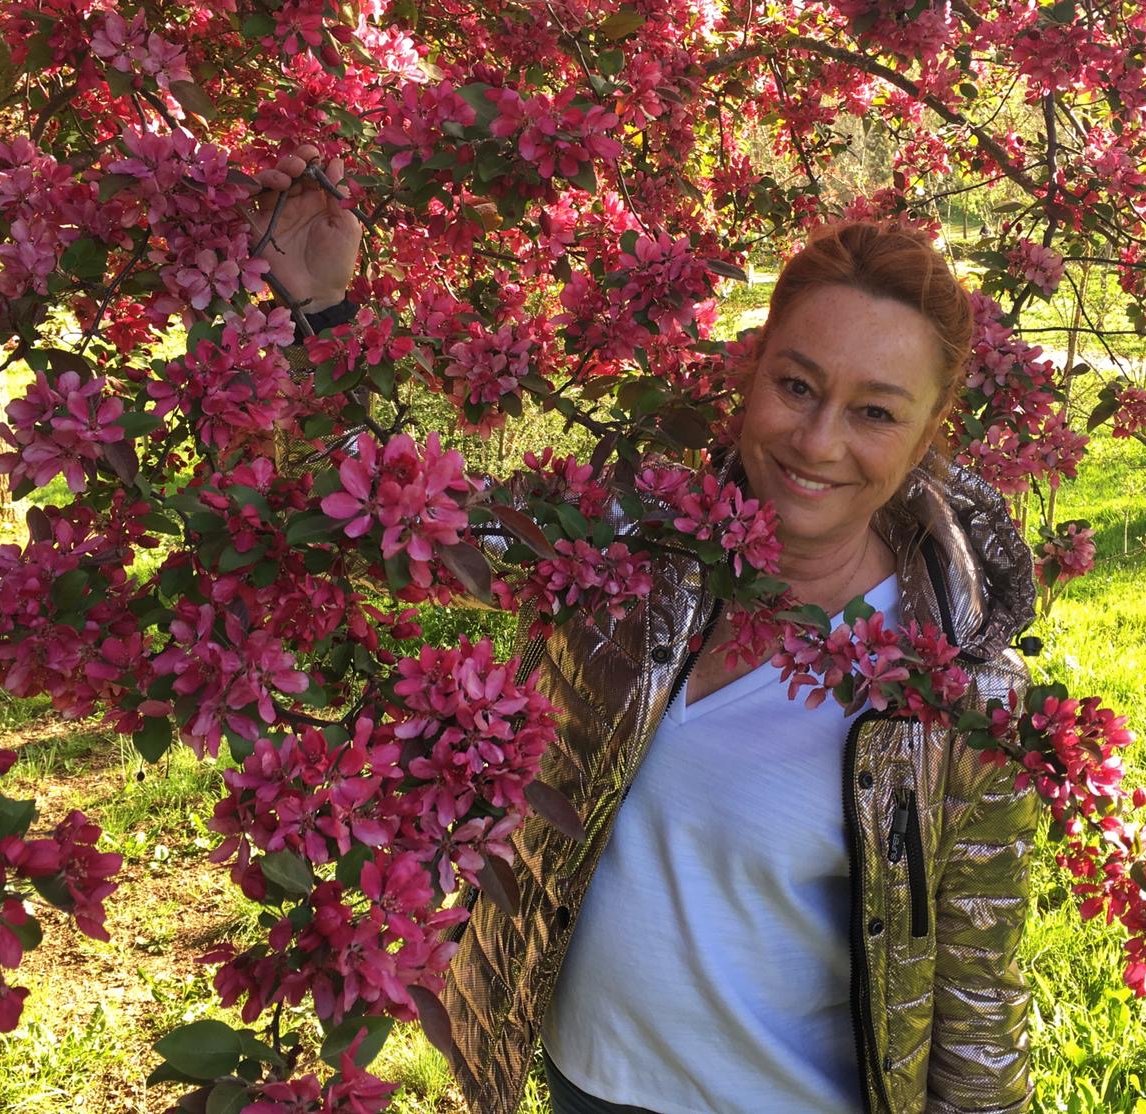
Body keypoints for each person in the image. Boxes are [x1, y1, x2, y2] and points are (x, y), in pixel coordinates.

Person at [266, 165, 1041, 1112]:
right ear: (750, 373)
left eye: (876, 411)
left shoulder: (956, 692)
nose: (819, 440)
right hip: (578, 1084)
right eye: (797, 385)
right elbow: (409, 521)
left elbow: (973, 995)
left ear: (927, 438)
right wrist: (321, 314)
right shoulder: (632, 550)